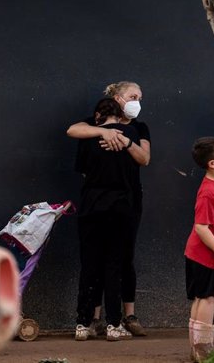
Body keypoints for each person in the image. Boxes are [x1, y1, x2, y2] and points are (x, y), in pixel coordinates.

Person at [67, 81, 151, 336]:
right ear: (117, 99)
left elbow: (144, 158)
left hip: (98, 202)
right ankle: (110, 322)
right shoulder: (97, 129)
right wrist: (105, 134)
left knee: (97, 261)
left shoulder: (137, 129)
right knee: (113, 262)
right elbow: (73, 129)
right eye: (132, 96)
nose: (136, 101)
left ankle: (89, 322)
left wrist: (121, 141)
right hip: (120, 203)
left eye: (139, 96)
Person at [184, 137, 214, 362]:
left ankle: (197, 350)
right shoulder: (209, 191)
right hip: (204, 255)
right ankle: (203, 350)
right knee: (208, 299)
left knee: (201, 298)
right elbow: (201, 227)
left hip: (197, 254)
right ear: (213, 164)